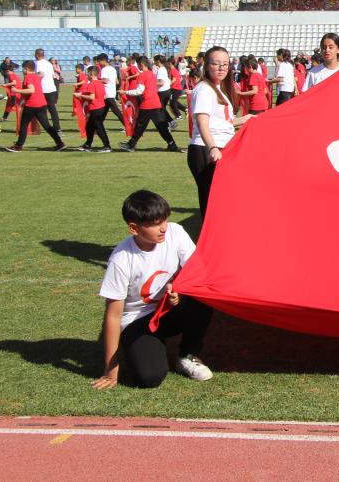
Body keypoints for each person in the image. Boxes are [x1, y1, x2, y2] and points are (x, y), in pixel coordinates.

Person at [94, 190, 214, 389]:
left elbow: (197, 270)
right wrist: (111, 369)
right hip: (137, 321)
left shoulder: (175, 232)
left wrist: (179, 291)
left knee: (203, 295)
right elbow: (113, 316)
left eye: (165, 220)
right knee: (149, 378)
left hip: (168, 310)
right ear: (134, 228)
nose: (164, 228)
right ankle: (142, 346)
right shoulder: (121, 259)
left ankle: (187, 355)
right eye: (155, 223)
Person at [188, 46, 251, 220]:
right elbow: (202, 122)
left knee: (221, 200)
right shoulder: (204, 89)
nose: (222, 68)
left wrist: (245, 120)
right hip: (206, 149)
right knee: (210, 202)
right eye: (216, 64)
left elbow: (222, 123)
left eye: (225, 64)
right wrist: (212, 148)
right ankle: (210, 243)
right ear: (207, 66)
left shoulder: (218, 88)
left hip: (220, 147)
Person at [118, 58, 179, 153]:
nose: (137, 66)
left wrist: (125, 92)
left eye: (138, 64)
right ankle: (172, 144)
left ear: (141, 64)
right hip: (155, 103)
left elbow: (139, 91)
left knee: (140, 126)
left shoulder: (142, 75)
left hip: (147, 104)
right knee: (161, 126)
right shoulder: (151, 74)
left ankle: (131, 145)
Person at [5, 60, 66, 152]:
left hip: (32, 105)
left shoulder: (28, 77)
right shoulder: (36, 76)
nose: (22, 71)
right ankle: (60, 143)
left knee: (24, 125)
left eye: (23, 69)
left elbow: (31, 90)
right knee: (46, 125)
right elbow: (41, 76)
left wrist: (16, 91)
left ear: (26, 69)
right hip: (41, 104)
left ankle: (18, 146)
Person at [73, 66, 111, 153]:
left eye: (87, 73)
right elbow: (104, 96)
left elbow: (91, 97)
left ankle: (107, 146)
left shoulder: (92, 84)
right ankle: (88, 144)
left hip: (96, 108)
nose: (86, 75)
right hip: (101, 107)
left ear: (91, 74)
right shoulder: (100, 83)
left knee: (99, 128)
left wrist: (80, 95)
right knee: (89, 127)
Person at [33, 48, 61, 133]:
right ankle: (57, 127)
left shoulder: (38, 63)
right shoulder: (48, 63)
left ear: (37, 55)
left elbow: (41, 74)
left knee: (41, 109)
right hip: (51, 88)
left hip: (43, 89)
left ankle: (45, 127)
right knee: (52, 109)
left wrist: (32, 78)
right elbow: (52, 75)